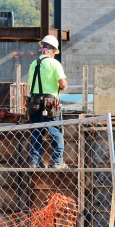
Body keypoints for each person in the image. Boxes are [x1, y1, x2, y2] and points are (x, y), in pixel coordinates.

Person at [28, 35, 68, 169]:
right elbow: (63, 84)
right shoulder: (54, 63)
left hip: (34, 102)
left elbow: (30, 85)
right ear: (52, 50)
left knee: (37, 131)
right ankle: (57, 162)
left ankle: (35, 161)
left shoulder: (34, 64)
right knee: (55, 131)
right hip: (50, 103)